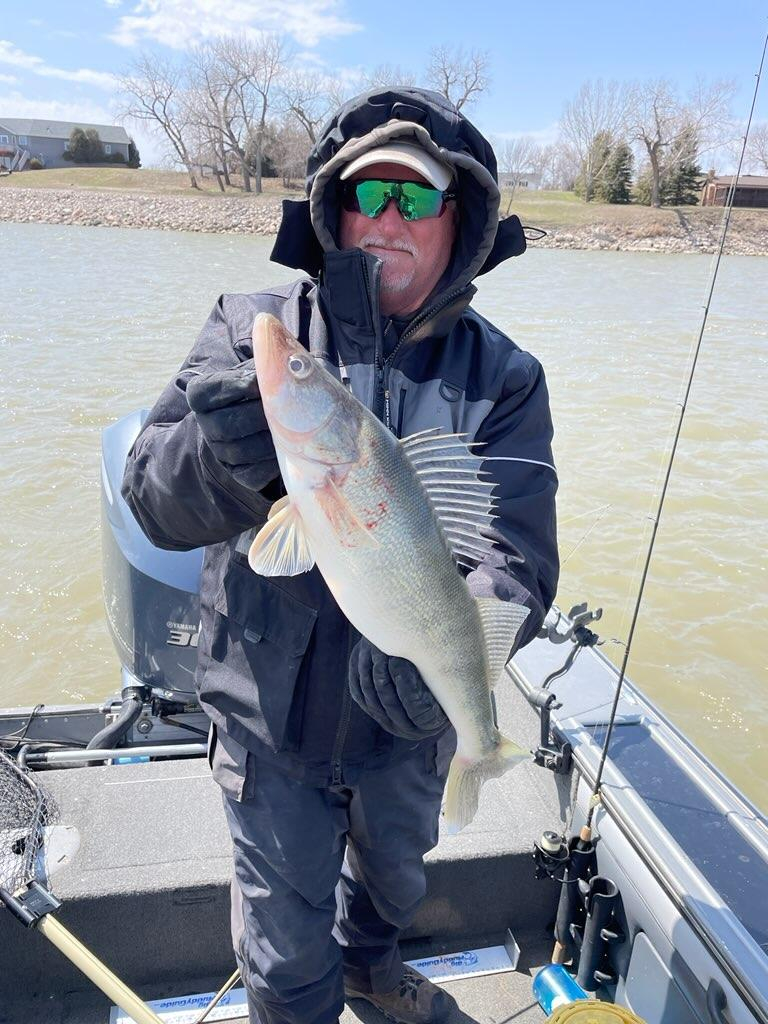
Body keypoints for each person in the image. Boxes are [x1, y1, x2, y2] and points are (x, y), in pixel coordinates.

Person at [122, 87, 559, 1024]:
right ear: (333, 209)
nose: (386, 220)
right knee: (284, 956)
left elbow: (518, 557)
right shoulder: (251, 329)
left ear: (460, 220)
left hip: (408, 735)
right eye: (367, 195)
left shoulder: (507, 378)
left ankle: (372, 965)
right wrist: (214, 464)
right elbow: (149, 497)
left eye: (415, 199)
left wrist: (453, 662)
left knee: (393, 888)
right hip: (267, 728)